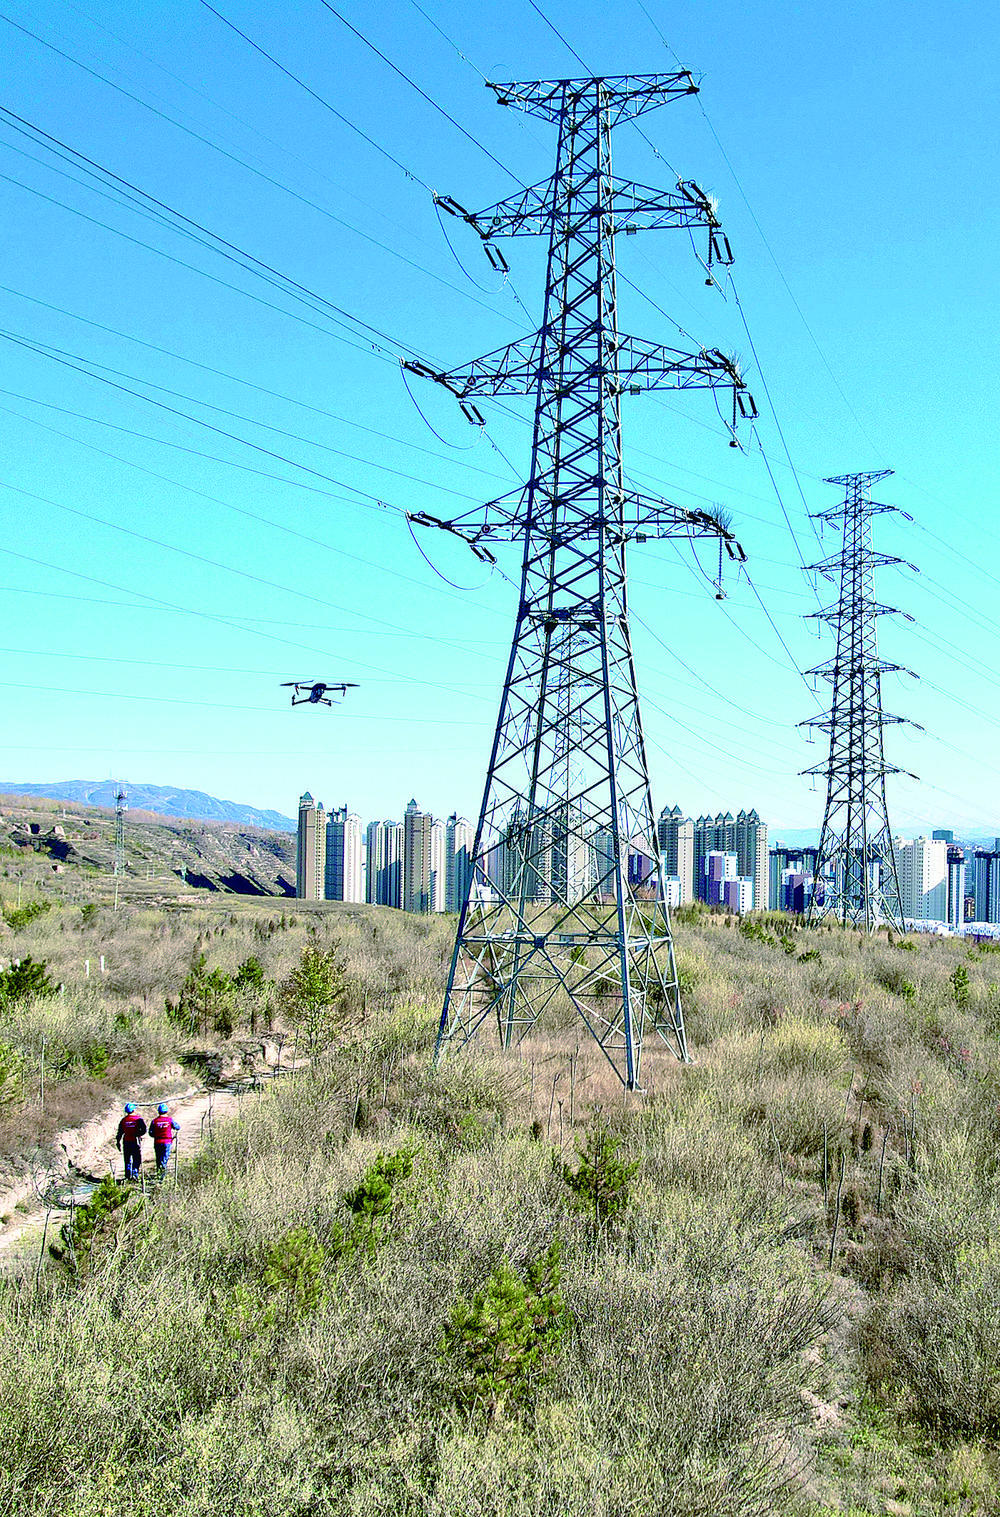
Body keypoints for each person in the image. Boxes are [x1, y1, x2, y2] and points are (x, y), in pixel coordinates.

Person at [115, 1102, 147, 1181]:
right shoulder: (138, 1119)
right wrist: (138, 1134)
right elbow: (144, 1130)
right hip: (135, 1141)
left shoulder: (124, 1120)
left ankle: (128, 1176)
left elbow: (120, 1132)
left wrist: (118, 1142)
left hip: (126, 1141)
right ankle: (135, 1175)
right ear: (133, 1110)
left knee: (127, 1159)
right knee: (136, 1159)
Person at [149, 1102, 179, 1178]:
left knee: (158, 1159)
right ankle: (162, 1176)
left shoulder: (154, 1121)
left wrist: (156, 1135)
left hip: (157, 1142)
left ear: (158, 1111)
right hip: (167, 1142)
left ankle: (160, 1174)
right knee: (164, 1159)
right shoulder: (169, 1120)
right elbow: (177, 1127)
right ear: (167, 1111)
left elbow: (150, 1133)